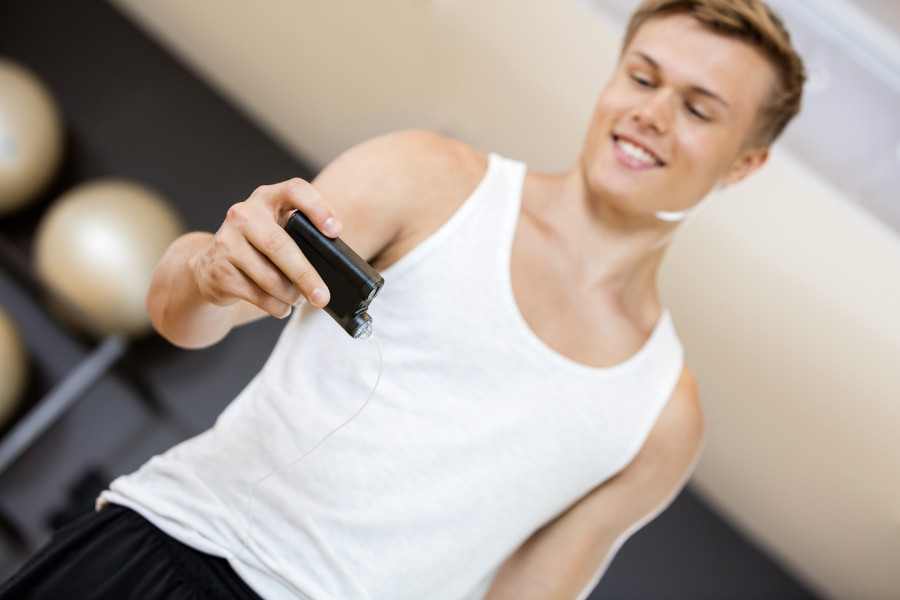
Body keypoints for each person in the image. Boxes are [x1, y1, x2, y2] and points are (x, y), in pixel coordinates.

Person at [1, 0, 805, 598]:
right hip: (171, 551)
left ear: (744, 163)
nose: (650, 114)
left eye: (698, 108)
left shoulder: (662, 414)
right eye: (642, 77)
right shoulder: (430, 178)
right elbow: (180, 314)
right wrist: (209, 267)